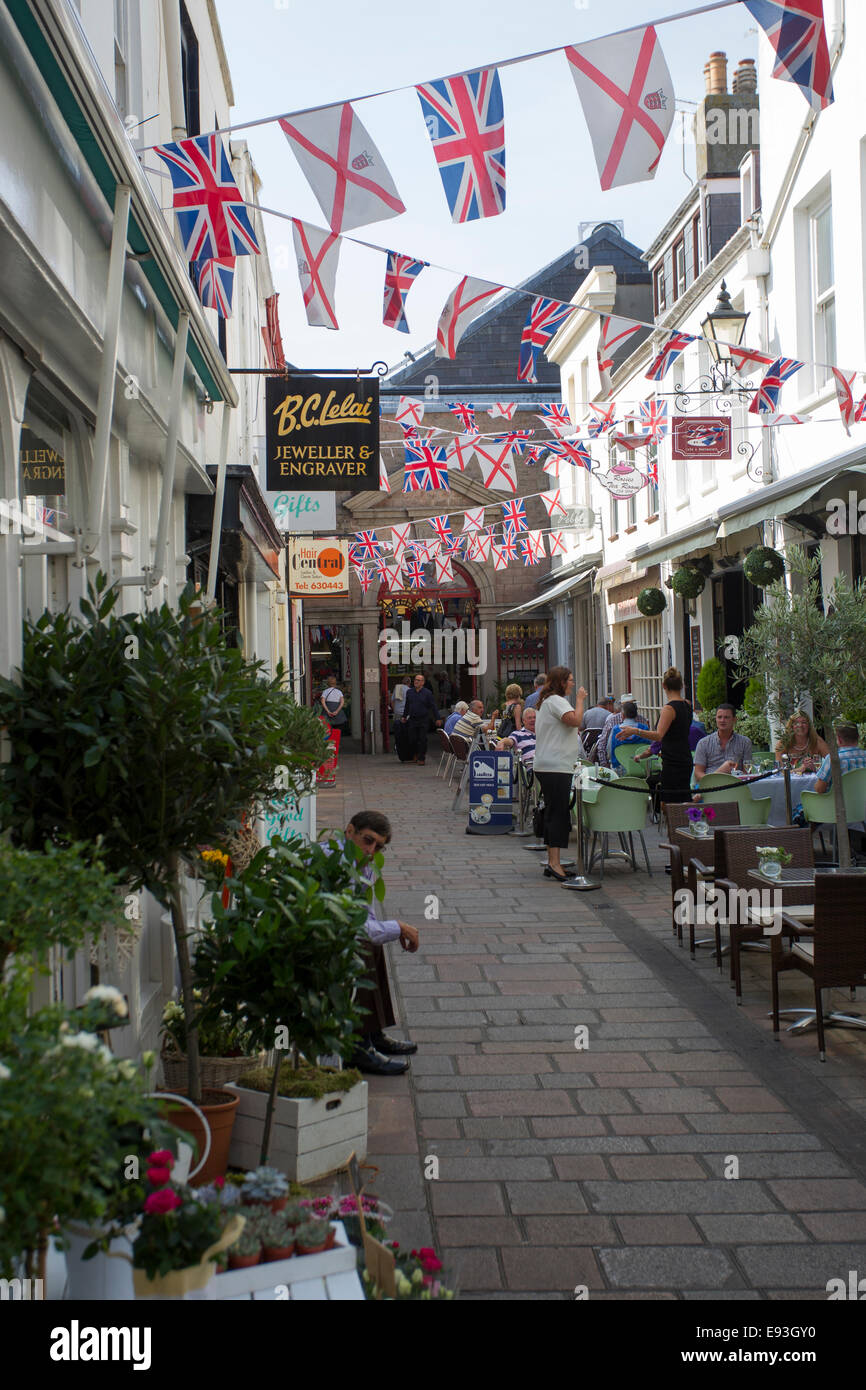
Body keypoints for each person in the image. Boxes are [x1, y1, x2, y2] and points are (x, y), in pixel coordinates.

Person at [342, 812, 420, 1076]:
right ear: (349, 831)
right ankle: (357, 1048)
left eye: (378, 846)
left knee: (373, 941)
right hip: (311, 936)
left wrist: (390, 930)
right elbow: (350, 924)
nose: (371, 850)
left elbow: (366, 915)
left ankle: (373, 1034)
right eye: (367, 840)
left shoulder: (364, 864)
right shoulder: (334, 863)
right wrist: (397, 927)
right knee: (361, 945)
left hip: (334, 930)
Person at [534, 666, 587, 882]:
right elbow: (575, 720)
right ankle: (555, 864)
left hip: (551, 764)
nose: (573, 684)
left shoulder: (549, 701)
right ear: (562, 682)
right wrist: (581, 700)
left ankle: (552, 862)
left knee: (553, 813)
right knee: (558, 815)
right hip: (555, 766)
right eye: (571, 680)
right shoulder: (556, 700)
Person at [615, 668, 693, 804]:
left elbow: (658, 736)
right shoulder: (687, 704)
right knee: (684, 800)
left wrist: (635, 731)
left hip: (672, 760)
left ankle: (673, 825)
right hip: (685, 757)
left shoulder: (669, 709)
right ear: (681, 685)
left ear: (663, 686)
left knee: (671, 803)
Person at [693, 704, 753, 781]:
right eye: (719, 717)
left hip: (736, 786)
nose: (722, 720)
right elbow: (698, 773)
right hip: (711, 788)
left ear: (734, 719)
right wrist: (716, 776)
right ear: (716, 719)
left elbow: (747, 772)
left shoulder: (745, 742)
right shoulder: (704, 743)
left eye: (726, 717)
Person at [813, 723, 866, 794]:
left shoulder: (833, 758)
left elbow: (819, 789)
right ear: (858, 737)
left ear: (839, 740)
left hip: (838, 804)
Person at [400, 672, 440, 765]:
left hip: (423, 719)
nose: (416, 682)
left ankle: (421, 758)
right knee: (412, 738)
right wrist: (404, 716)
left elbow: (433, 706)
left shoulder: (427, 693)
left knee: (422, 739)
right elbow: (407, 705)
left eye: (418, 680)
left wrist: (437, 718)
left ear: (423, 682)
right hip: (412, 719)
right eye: (415, 680)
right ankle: (415, 754)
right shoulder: (409, 692)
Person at [775, 710, 830, 775]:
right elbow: (779, 772)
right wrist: (800, 769)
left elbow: (832, 763)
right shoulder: (783, 743)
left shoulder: (817, 741)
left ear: (809, 726)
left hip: (813, 783)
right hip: (790, 783)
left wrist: (816, 768)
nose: (800, 725)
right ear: (791, 726)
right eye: (796, 723)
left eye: (804, 722)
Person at [608, 700, 650, 770]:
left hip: (621, 769)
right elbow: (650, 747)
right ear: (636, 715)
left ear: (622, 715)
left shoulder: (615, 730)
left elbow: (609, 751)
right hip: (641, 767)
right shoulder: (644, 728)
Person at [496, 704, 537, 772]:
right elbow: (510, 741)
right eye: (529, 718)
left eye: (534, 717)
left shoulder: (543, 733)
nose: (533, 720)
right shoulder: (518, 734)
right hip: (532, 767)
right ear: (523, 721)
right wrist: (502, 742)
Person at [593, 700, 623, 767]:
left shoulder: (611, 719)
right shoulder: (642, 722)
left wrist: (604, 763)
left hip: (616, 762)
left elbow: (581, 727)